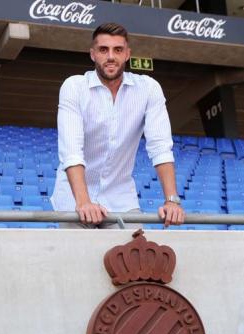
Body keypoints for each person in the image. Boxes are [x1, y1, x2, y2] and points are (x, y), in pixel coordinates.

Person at [50, 22, 185, 229]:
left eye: (118, 50)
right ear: (93, 54)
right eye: (104, 50)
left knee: (136, 256)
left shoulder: (148, 89)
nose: (111, 56)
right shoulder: (74, 87)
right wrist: (84, 202)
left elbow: (160, 147)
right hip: (74, 198)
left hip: (121, 198)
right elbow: (71, 151)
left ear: (127, 54)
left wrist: (171, 200)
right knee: (75, 259)